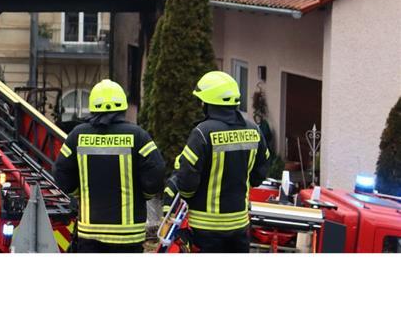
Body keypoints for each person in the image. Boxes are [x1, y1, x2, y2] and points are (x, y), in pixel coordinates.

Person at [163, 70, 271, 253]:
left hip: (206, 228)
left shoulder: (202, 133)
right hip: (239, 225)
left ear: (208, 103)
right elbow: (260, 173)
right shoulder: (254, 130)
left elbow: (187, 179)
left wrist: (188, 196)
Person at [53, 79, 166, 252]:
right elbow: (156, 173)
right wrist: (143, 194)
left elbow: (61, 172)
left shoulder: (77, 135)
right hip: (129, 234)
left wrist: (79, 193)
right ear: (122, 106)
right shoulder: (139, 136)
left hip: (90, 232)